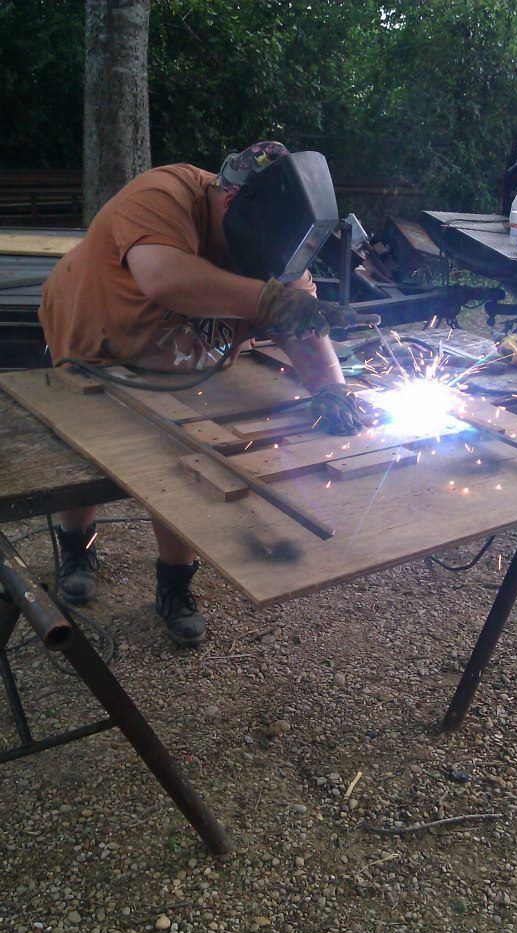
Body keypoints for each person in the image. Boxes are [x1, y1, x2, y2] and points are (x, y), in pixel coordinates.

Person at [39, 141, 371, 649]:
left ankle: (174, 584)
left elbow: (300, 316)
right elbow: (163, 276)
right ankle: (78, 546)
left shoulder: (273, 241)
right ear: (230, 204)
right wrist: (263, 297)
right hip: (94, 335)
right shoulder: (164, 194)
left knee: (183, 463)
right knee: (86, 457)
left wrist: (330, 386)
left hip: (173, 355)